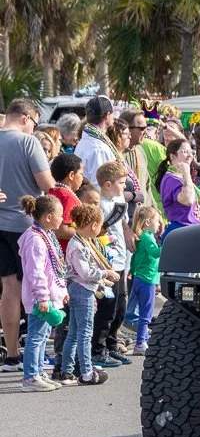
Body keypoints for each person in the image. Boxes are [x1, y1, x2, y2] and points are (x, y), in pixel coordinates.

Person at [0, 99, 55, 372]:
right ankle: (35, 357)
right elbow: (47, 183)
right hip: (24, 224)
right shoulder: (27, 142)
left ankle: (12, 355)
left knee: (9, 288)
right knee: (36, 287)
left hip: (0, 224)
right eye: (34, 123)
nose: (34, 128)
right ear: (25, 118)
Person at [17, 194, 68, 392]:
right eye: (60, 215)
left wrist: (61, 291)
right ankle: (30, 377)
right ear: (48, 217)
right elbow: (35, 271)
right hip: (40, 299)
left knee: (43, 335)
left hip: (48, 297)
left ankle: (38, 371)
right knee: (36, 337)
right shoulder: (35, 240)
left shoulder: (47, 235)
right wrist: (42, 296)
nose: (63, 219)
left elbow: (55, 269)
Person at [62, 204, 116, 386]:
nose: (100, 230)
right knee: (85, 333)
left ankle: (67, 370)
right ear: (93, 225)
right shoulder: (78, 245)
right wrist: (105, 273)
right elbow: (85, 273)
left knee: (75, 333)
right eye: (100, 225)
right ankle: (86, 372)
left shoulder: (80, 241)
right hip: (82, 289)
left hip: (81, 289)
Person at [47, 153, 85, 380]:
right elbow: (62, 228)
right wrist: (87, 233)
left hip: (61, 261)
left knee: (68, 316)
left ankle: (67, 363)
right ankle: (64, 365)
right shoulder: (65, 195)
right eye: (80, 173)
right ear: (71, 175)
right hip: (67, 262)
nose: (83, 177)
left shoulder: (56, 192)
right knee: (69, 317)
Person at [92, 161, 132, 368]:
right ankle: (98, 350)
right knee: (107, 308)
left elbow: (122, 225)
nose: (124, 186)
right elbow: (99, 231)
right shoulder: (99, 203)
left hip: (121, 259)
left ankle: (111, 343)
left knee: (120, 307)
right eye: (121, 182)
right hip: (108, 262)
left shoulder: (117, 199)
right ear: (107, 184)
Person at [127, 205, 162, 356]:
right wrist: (168, 243)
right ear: (148, 222)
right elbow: (155, 253)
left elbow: (135, 258)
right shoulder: (148, 238)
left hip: (138, 277)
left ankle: (143, 339)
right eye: (157, 221)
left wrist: (132, 271)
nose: (159, 225)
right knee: (146, 314)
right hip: (147, 280)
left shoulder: (141, 238)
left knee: (138, 310)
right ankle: (141, 342)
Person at [157, 139, 200, 238]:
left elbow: (192, 201)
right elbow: (188, 200)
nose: (190, 156)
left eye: (192, 152)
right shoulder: (171, 179)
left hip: (193, 230)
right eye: (185, 152)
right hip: (181, 232)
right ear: (172, 156)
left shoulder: (180, 177)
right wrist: (186, 172)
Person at [75, 96, 118, 186]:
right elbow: (100, 185)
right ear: (107, 115)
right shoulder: (99, 148)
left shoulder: (86, 141)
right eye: (112, 114)